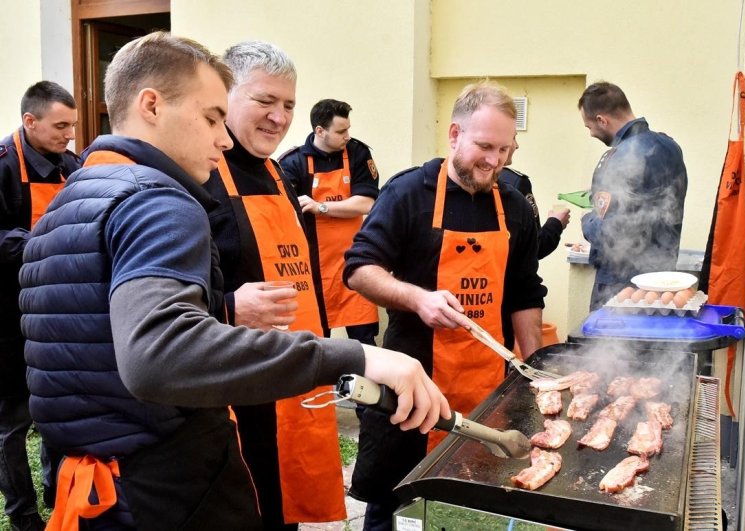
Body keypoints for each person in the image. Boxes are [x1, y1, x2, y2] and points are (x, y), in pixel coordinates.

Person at [17, 31, 449, 531]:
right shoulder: (158, 199)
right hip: (168, 491)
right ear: (151, 106)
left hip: (97, 488)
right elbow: (159, 353)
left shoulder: (67, 203)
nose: (222, 139)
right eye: (211, 118)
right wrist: (357, 355)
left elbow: (94, 343)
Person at [343, 80, 546, 530]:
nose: (495, 161)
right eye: (484, 146)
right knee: (394, 507)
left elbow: (525, 294)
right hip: (410, 387)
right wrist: (418, 298)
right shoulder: (408, 194)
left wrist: (534, 377)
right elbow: (359, 268)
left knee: (472, 508)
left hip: (489, 393)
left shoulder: (514, 207)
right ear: (454, 135)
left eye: (506, 150)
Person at [202, 42, 346, 529]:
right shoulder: (195, 178)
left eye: (288, 105)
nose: (278, 117)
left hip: (294, 378)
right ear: (225, 96)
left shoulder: (279, 175)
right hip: (232, 394)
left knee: (287, 509)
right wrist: (226, 305)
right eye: (264, 101)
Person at [0, 80, 79, 531]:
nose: (68, 135)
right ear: (30, 122)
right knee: (12, 423)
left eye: (72, 126)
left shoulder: (72, 164)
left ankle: (58, 495)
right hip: (8, 319)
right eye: (60, 126)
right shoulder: (3, 168)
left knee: (57, 410)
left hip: (59, 313)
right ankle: (23, 515)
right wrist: (39, 243)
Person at [578, 81, 687, 310]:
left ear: (602, 119)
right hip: (662, 283)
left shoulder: (620, 159)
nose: (591, 134)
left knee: (608, 345)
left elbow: (611, 233)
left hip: (620, 287)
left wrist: (587, 222)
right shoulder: (671, 147)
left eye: (589, 127)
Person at [279, 99, 380, 345]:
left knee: (365, 340)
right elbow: (283, 213)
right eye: (341, 131)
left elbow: (367, 204)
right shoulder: (293, 163)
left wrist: (320, 207)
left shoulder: (357, 153)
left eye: (348, 129)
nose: (347, 136)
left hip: (354, 261)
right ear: (320, 131)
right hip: (314, 267)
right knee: (316, 340)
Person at [497, 135, 570, 351]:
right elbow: (534, 247)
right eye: (512, 139)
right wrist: (555, 224)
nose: (516, 145)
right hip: (502, 313)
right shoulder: (517, 184)